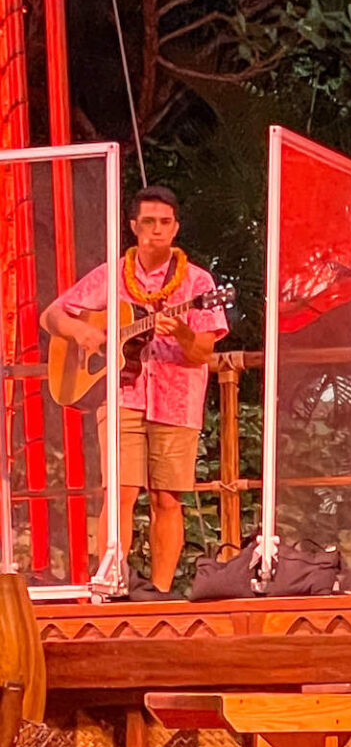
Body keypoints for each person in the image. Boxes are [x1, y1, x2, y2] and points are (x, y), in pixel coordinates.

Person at [41, 185, 229, 594]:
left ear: (176, 228)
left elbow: (201, 354)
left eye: (164, 223)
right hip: (122, 396)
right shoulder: (112, 276)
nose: (156, 231)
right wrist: (81, 332)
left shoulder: (199, 282)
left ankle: (159, 593)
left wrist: (180, 330)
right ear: (133, 227)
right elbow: (52, 315)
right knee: (120, 492)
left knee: (167, 498)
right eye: (148, 222)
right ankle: (112, 581)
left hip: (177, 399)